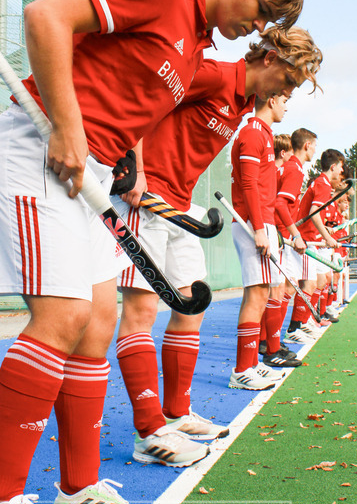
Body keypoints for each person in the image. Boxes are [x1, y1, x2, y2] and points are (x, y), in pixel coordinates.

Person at [0, 0, 305, 504]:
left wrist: (132, 161)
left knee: (97, 325)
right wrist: (67, 126)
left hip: (88, 178)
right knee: (61, 318)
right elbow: (47, 17)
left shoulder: (196, 45)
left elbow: (136, 105)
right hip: (36, 154)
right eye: (260, 9)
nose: (257, 27)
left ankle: (76, 490)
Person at [113, 27, 322, 467]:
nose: (287, 92)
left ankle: (176, 412)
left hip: (180, 206)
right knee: (141, 311)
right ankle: (149, 433)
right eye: (288, 82)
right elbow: (143, 99)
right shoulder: (211, 75)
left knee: (193, 305)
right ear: (269, 60)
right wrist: (135, 165)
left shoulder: (244, 106)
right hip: (146, 199)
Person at [228, 90, 317, 390]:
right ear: (271, 100)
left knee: (262, 293)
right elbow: (250, 183)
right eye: (285, 101)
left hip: (261, 222)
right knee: (256, 295)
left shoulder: (264, 134)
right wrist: (258, 227)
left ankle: (252, 364)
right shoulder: (253, 133)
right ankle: (243, 369)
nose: (286, 108)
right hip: (255, 222)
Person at [264, 127, 318, 365]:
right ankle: (271, 347)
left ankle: (269, 342)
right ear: (307, 145)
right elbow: (279, 204)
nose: (315, 150)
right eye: (314, 145)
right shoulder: (295, 169)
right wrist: (295, 234)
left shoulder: (288, 167)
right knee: (278, 292)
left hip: (278, 233)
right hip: (280, 236)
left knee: (279, 291)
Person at [284, 149, 347, 343]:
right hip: (303, 240)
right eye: (341, 166)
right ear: (333, 166)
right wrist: (328, 237)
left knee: (310, 284)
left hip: (308, 240)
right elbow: (314, 213)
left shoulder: (322, 183)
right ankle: (295, 328)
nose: (341, 171)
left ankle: (301, 324)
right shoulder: (322, 183)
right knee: (304, 285)